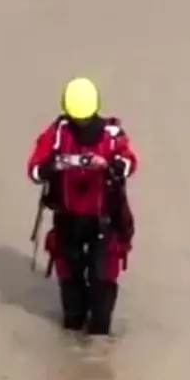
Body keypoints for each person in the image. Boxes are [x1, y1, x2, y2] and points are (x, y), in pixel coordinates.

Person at [27, 78, 138, 336]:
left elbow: (129, 160)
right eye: (78, 120)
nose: (82, 125)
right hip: (68, 221)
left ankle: (99, 344)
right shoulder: (56, 134)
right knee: (71, 295)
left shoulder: (113, 136)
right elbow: (33, 171)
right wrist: (53, 166)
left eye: (86, 120)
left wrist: (116, 166)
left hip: (104, 222)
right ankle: (73, 340)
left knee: (102, 285)